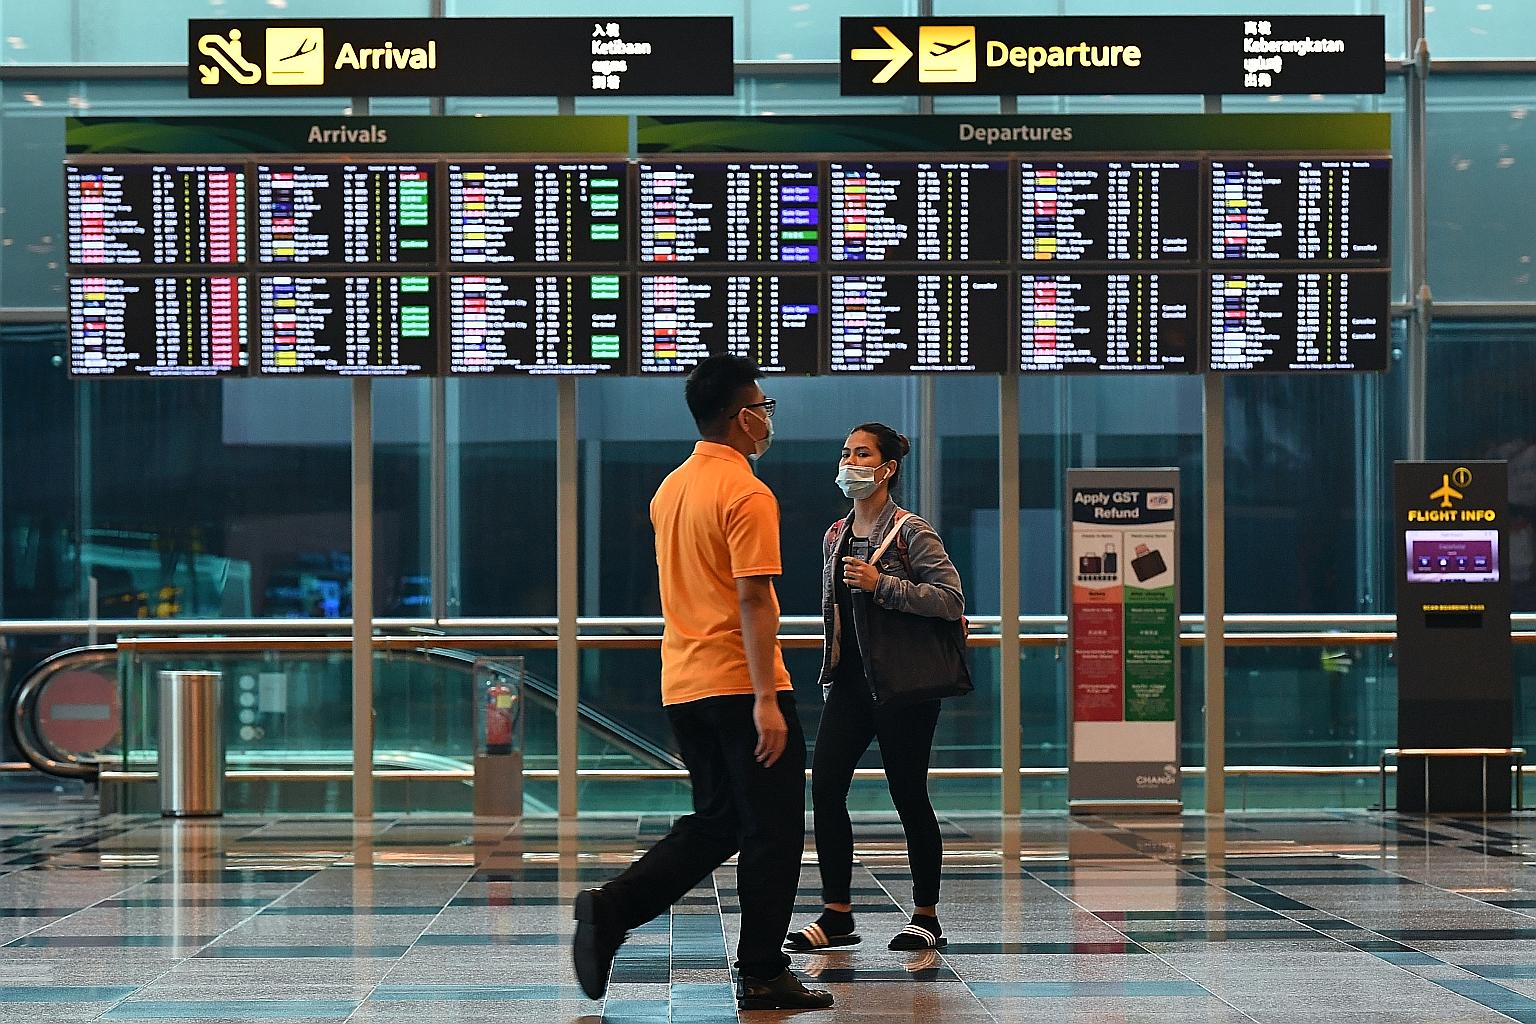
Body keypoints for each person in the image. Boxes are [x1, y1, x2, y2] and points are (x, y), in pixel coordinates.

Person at [573, 354, 832, 1013]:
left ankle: (613, 909)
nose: (767, 418)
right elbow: (753, 598)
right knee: (773, 831)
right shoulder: (746, 492)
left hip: (685, 684)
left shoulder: (671, 489)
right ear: (740, 417)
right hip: (741, 684)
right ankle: (762, 970)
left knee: (720, 823)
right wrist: (768, 699)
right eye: (763, 407)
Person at [785, 422, 965, 954]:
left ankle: (926, 915)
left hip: (906, 685)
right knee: (826, 789)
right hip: (850, 682)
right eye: (846, 453)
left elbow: (950, 598)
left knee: (908, 794)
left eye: (862, 454)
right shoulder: (835, 535)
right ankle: (837, 913)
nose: (850, 462)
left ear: (887, 468)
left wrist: (881, 584)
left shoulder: (911, 532)